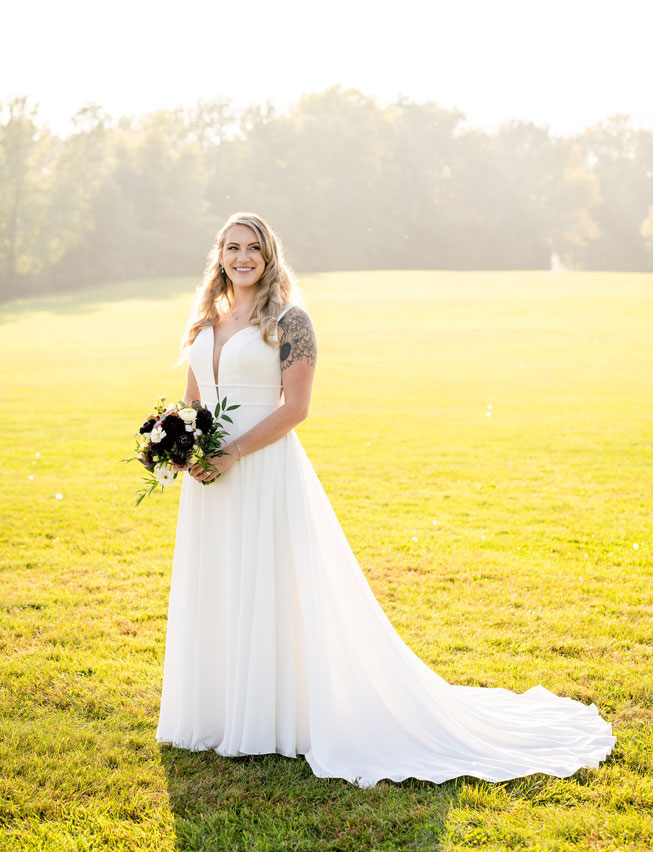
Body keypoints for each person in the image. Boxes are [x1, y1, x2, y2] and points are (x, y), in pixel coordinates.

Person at [155, 212, 616, 788]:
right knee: (220, 581)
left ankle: (272, 717)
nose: (241, 256)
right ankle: (222, 712)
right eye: (231, 247)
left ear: (269, 256)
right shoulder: (205, 322)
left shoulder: (290, 321)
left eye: (253, 247)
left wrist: (233, 453)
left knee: (272, 583)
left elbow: (296, 409)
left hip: (263, 468)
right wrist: (178, 446)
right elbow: (192, 401)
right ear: (218, 255)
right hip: (209, 481)